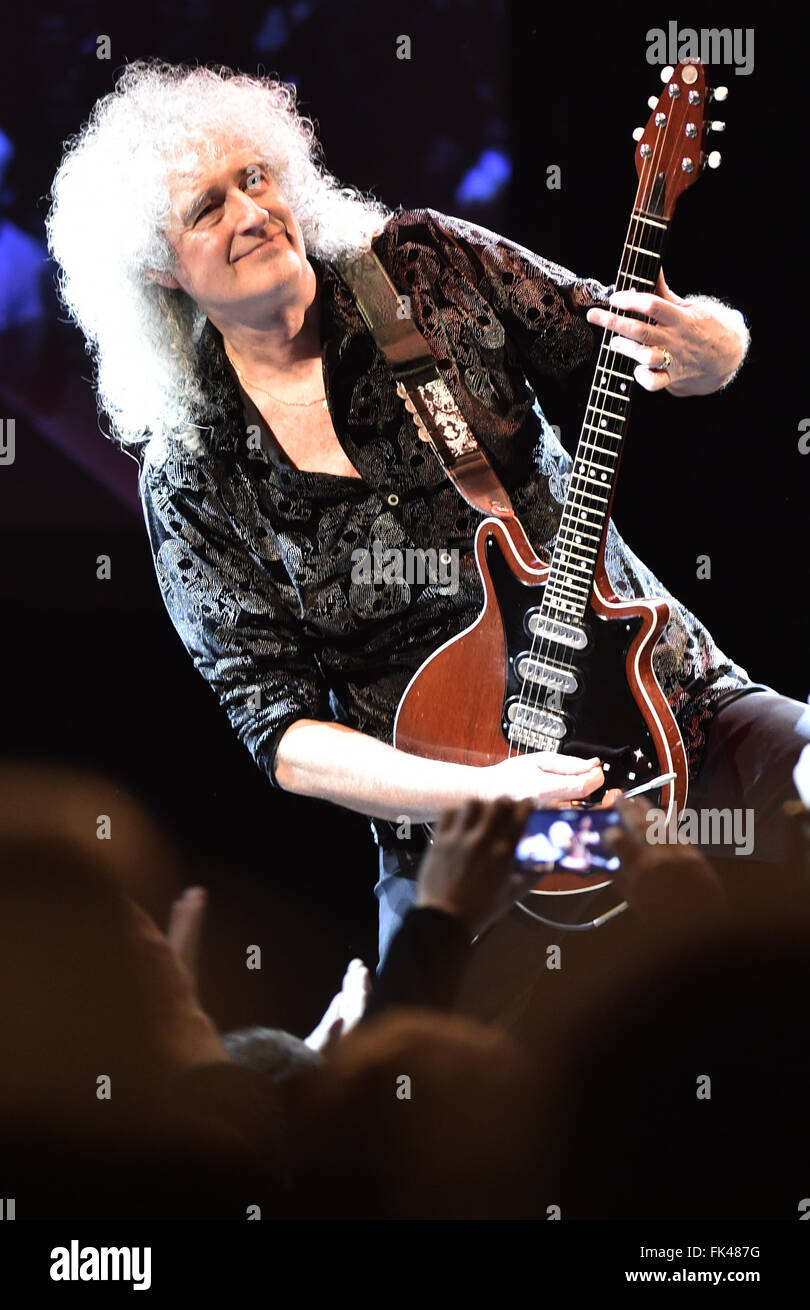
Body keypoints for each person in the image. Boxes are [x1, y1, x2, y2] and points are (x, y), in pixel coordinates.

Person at [45, 60, 809, 1030]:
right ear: (159, 267)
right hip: (472, 825)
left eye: (258, 177)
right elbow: (277, 729)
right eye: (207, 206)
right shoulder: (195, 473)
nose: (252, 211)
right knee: (463, 1091)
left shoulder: (421, 269)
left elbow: (637, 339)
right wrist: (486, 789)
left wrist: (714, 342)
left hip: (675, 697)